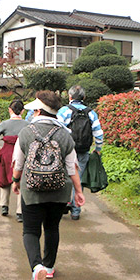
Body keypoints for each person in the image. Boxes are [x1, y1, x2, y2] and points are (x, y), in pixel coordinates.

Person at [12, 90, 85, 280]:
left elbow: (18, 164)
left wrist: (16, 182)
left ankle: (36, 267)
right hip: (59, 191)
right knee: (52, 228)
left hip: (32, 189)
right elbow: (72, 168)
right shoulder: (65, 134)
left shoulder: (26, 132)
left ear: (37, 110)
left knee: (30, 231)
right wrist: (78, 192)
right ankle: (49, 267)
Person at [57, 85, 103, 221]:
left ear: (70, 97)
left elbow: (58, 130)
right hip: (83, 150)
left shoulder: (64, 111)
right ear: (84, 97)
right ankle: (76, 211)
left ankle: (64, 203)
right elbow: (98, 133)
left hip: (66, 150)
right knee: (79, 179)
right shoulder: (91, 112)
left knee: (64, 177)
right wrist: (98, 149)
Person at [0, 100, 28, 221]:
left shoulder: (4, 124)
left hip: (6, 153)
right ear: (23, 111)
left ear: (9, 110)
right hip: (22, 154)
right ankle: (20, 212)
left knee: (5, 178)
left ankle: (4, 206)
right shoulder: (28, 124)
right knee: (21, 181)